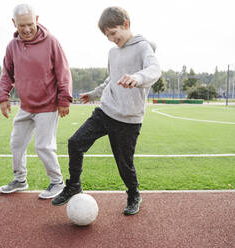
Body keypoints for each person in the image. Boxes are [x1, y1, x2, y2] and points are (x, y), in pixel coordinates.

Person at [52, 6, 161, 215]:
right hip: (105, 112)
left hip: (128, 120)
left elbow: (154, 70)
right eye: (107, 35)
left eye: (113, 33)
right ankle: (74, 184)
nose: (111, 39)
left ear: (126, 24)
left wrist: (137, 78)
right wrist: (94, 94)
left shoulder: (143, 47)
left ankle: (133, 195)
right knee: (75, 143)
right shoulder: (112, 52)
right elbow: (111, 79)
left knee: (124, 164)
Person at [0, 4, 73, 199]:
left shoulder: (52, 42)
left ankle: (57, 183)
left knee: (43, 146)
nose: (27, 29)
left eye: (30, 24)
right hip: (25, 106)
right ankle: (20, 180)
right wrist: (3, 96)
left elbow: (63, 71)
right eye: (22, 25)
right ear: (14, 23)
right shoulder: (12, 46)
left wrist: (64, 98)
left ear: (37, 19)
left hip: (48, 106)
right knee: (17, 143)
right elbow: (6, 73)